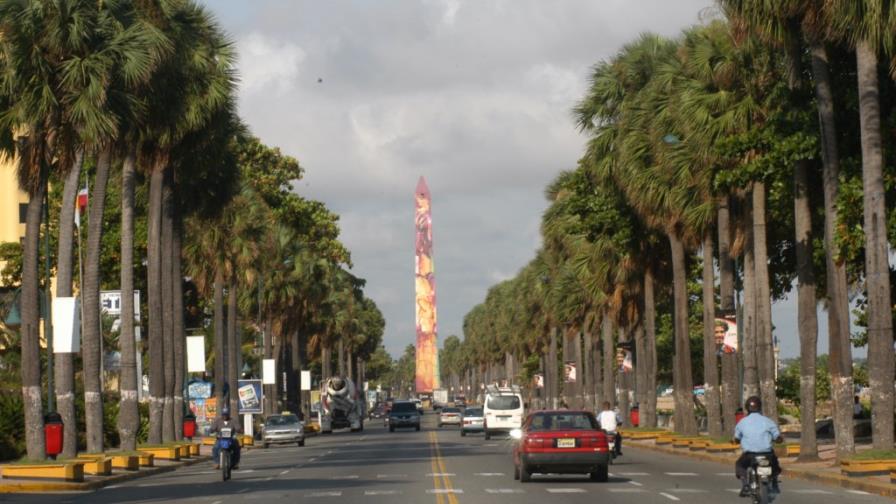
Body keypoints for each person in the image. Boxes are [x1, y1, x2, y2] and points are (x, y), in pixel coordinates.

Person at [733, 396, 782, 497]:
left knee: (740, 465)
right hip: (767, 454)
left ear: (747, 408)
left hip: (749, 455)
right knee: (775, 465)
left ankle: (745, 485)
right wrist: (778, 439)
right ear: (760, 407)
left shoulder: (742, 422)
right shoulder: (767, 421)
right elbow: (777, 435)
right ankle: (775, 483)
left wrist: (736, 441)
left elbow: (737, 437)